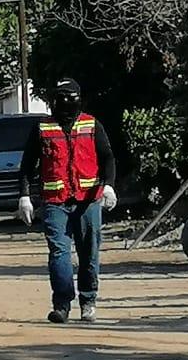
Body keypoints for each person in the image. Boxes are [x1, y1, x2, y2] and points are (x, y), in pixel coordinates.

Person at [18, 77, 118, 324]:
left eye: (69, 98)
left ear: (78, 99)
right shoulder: (43, 128)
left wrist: (109, 187)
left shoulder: (91, 125)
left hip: (89, 201)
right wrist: (24, 197)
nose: (64, 103)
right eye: (59, 98)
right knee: (59, 254)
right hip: (55, 202)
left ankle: (88, 301)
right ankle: (61, 305)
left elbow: (108, 158)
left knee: (89, 254)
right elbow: (27, 166)